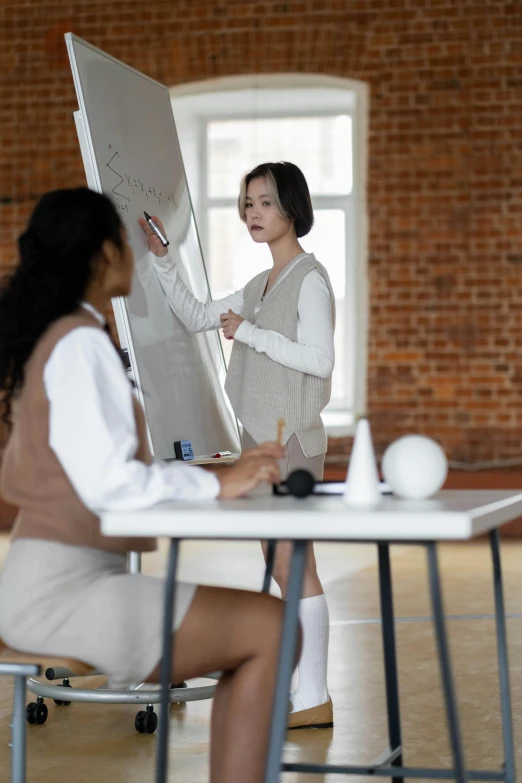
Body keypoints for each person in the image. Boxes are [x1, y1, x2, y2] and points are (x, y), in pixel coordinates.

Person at [0, 187, 295, 783]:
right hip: (59, 598)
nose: (133, 255)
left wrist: (215, 481)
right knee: (270, 626)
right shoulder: (79, 344)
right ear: (105, 252)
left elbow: (101, 474)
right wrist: (218, 485)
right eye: (127, 244)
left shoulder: (62, 336)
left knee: (263, 627)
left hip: (58, 583)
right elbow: (111, 484)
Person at [142, 161, 336, 729]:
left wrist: (249, 333)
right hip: (260, 442)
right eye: (248, 203)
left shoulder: (311, 280)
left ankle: (314, 696)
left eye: (266, 203)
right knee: (282, 566)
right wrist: (163, 257)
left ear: (293, 208)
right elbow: (199, 314)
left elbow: (320, 361)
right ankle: (306, 691)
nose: (254, 213)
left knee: (293, 564)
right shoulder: (260, 285)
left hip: (293, 439)